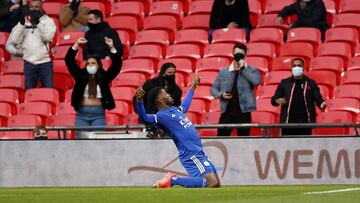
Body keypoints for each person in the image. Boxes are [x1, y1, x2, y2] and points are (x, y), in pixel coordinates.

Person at [135, 75, 220, 188]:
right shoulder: (161, 116)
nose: (169, 95)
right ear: (160, 99)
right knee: (211, 183)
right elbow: (144, 117)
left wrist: (193, 87)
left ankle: (174, 180)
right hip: (190, 153)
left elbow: (185, 105)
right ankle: (173, 180)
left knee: (216, 184)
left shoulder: (175, 110)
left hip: (198, 151)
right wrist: (139, 101)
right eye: (165, 93)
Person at [65, 37, 122, 139]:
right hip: (81, 115)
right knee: (81, 143)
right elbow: (69, 61)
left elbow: (116, 66)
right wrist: (76, 44)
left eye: (93, 63)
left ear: (99, 65)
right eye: (88, 63)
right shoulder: (80, 75)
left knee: (99, 143)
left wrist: (112, 47)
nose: (90, 65)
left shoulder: (104, 77)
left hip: (99, 115)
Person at [211, 43, 261, 136]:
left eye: (241, 54)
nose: (238, 56)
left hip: (244, 113)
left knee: (243, 142)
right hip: (226, 111)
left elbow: (256, 81)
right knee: (222, 139)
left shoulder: (252, 70)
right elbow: (213, 89)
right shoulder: (224, 71)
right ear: (233, 53)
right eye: (236, 53)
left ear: (245, 55)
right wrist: (221, 95)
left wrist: (243, 69)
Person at [271, 58, 327, 136]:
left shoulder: (310, 83)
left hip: (305, 124)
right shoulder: (285, 83)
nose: (296, 68)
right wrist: (277, 100)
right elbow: (274, 99)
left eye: (299, 66)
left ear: (303, 67)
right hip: (287, 124)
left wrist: (322, 104)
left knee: (304, 147)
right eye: (294, 66)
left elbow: (318, 98)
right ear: (291, 68)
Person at [9, 0, 56, 90]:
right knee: (30, 92)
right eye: (31, 7)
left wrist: (38, 23)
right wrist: (21, 25)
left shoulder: (49, 21)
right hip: (29, 62)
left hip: (45, 62)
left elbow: (47, 38)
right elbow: (15, 40)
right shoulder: (24, 21)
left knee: (48, 91)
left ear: (42, 8)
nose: (34, 9)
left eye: (36, 7)